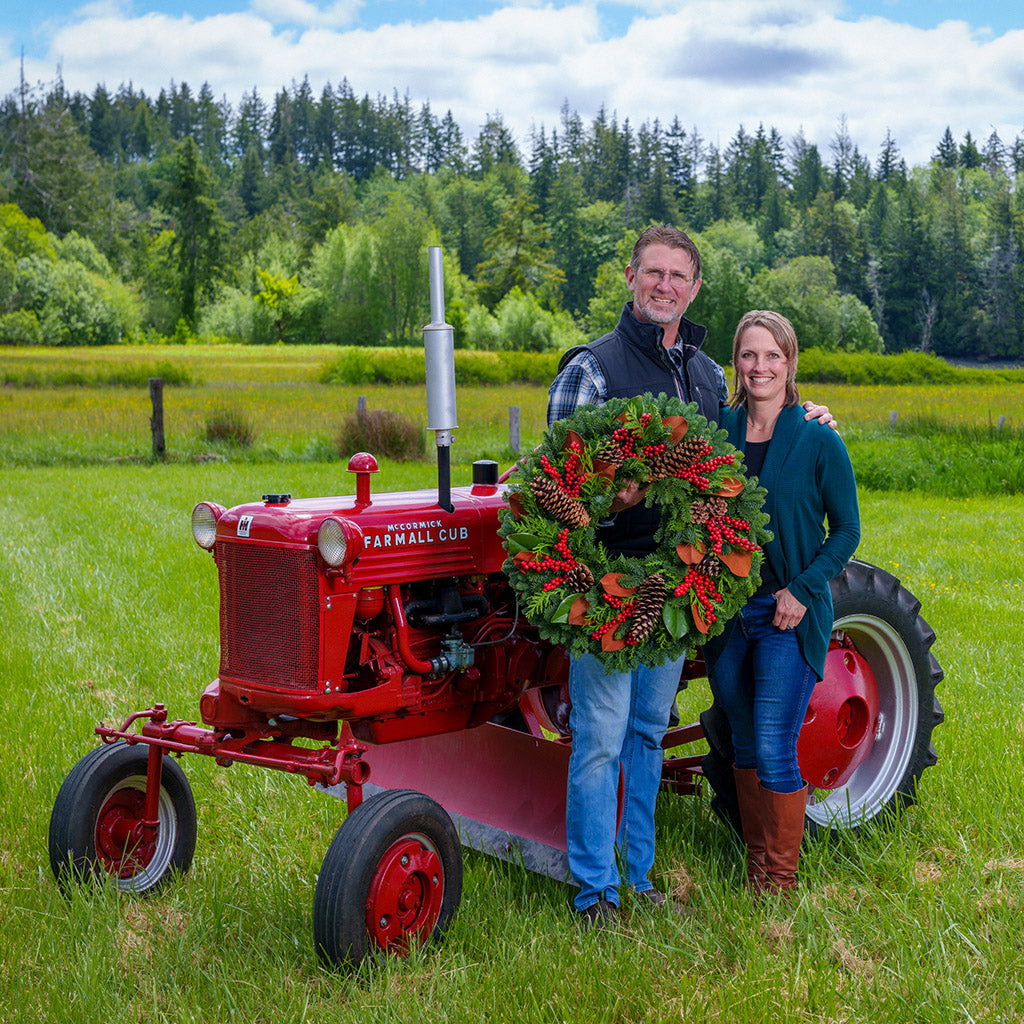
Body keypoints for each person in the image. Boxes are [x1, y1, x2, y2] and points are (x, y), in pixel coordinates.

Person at [547, 226, 836, 930]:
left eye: (679, 276)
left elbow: (748, 444)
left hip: (676, 590)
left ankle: (638, 875)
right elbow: (558, 491)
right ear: (630, 277)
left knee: (648, 732)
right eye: (653, 273)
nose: (665, 286)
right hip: (609, 588)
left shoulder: (706, 377)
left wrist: (814, 417)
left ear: (695, 287)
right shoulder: (594, 370)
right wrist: (612, 495)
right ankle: (594, 891)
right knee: (601, 740)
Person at [703, 310, 860, 900]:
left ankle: (780, 886)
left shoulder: (819, 439)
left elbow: (845, 531)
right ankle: (756, 869)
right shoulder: (719, 432)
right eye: (748, 355)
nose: (760, 367)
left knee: (772, 744)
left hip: (784, 614)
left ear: (790, 363)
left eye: (772, 356)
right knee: (743, 741)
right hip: (726, 614)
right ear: (736, 365)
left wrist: (802, 589)